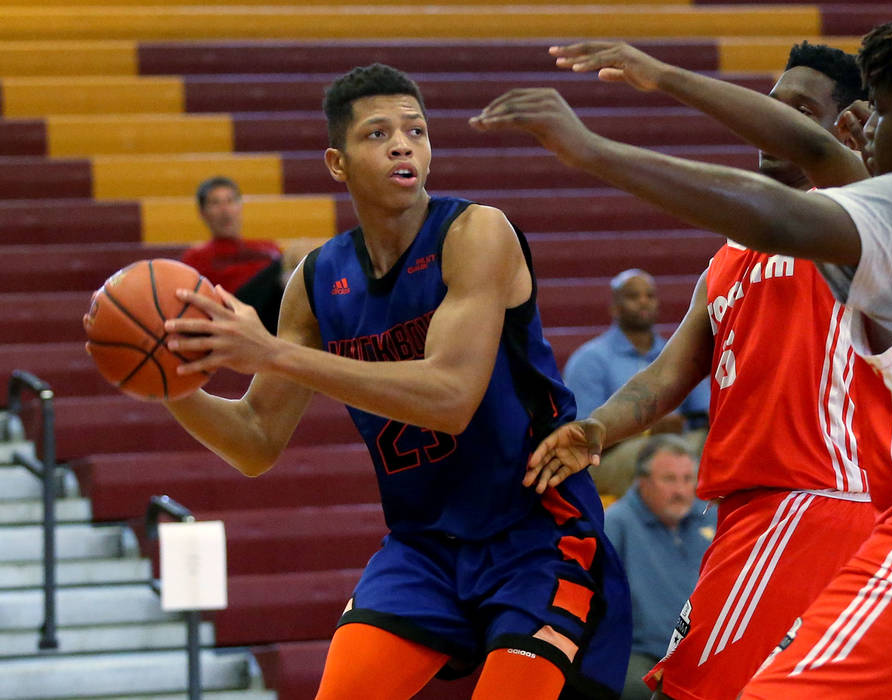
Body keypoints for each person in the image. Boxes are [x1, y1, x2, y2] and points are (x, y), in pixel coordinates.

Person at [472, 12, 892, 697]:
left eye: (879, 115)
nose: (867, 130)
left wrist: (596, 146)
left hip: (835, 508)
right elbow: (674, 370)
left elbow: (781, 195)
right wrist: (599, 426)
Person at [161, 63, 630, 699]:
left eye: (416, 130)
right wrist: (168, 384)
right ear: (337, 162)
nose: (403, 144)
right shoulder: (316, 280)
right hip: (425, 546)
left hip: (536, 532)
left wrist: (274, 353)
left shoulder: (476, 232)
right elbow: (254, 439)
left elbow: (451, 398)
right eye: (378, 134)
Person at [474, 40, 878, 700]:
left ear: (844, 124)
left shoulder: (860, 214)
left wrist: (647, 89)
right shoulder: (728, 256)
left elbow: (830, 175)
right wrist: (597, 428)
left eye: (797, 110)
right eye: (767, 105)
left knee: (688, 689)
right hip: (754, 509)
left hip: (813, 501)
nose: (767, 121)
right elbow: (665, 377)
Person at [564, 268, 710, 498]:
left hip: (679, 444)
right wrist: (647, 432)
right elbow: (582, 437)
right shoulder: (589, 359)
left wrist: (683, 426)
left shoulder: (674, 352)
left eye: (650, 296)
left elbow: (705, 416)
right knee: (654, 453)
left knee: (711, 446)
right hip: (612, 457)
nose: (643, 301)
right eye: (633, 296)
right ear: (614, 307)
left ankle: (704, 526)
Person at [603, 435, 716, 700]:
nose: (680, 490)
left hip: (705, 652)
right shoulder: (616, 523)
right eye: (669, 479)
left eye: (687, 479)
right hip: (641, 653)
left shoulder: (710, 517)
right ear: (641, 482)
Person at [181, 176, 285, 333]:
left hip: (273, 316)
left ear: (240, 206)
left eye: (230, 201)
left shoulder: (268, 247)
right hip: (231, 315)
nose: (225, 210)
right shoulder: (195, 257)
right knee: (291, 258)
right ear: (203, 213)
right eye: (215, 203)